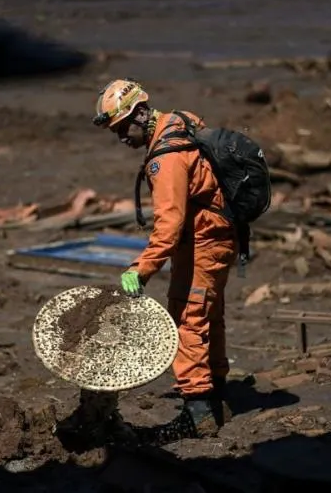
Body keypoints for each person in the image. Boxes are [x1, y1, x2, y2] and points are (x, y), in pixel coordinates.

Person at [93, 78, 236, 438]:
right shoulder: (181, 121)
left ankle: (199, 412)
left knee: (185, 320)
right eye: (115, 131)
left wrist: (140, 270)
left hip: (203, 238)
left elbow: (168, 225)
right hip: (217, 233)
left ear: (141, 113)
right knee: (208, 313)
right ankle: (218, 394)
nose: (122, 137)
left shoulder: (166, 159)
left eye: (124, 126)